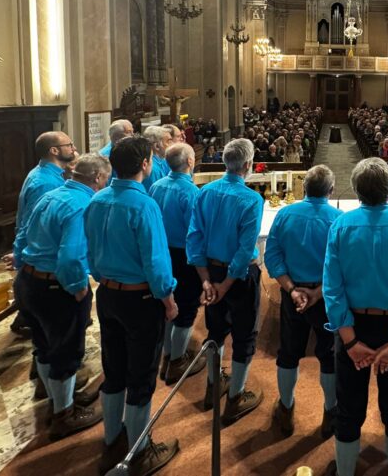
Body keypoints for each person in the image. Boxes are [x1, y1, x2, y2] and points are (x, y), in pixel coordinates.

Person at [323, 157, 388, 476]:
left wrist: (349, 341)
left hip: (352, 325)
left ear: (356, 190)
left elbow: (332, 289)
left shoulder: (341, 226)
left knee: (348, 406)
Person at [85, 136, 180, 475]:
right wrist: (168, 299)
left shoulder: (97, 200)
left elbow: (90, 250)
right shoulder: (144, 205)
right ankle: (138, 450)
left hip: (108, 294)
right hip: (140, 298)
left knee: (113, 370)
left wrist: (103, 277)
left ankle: (112, 439)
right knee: (141, 375)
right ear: (145, 164)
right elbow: (156, 262)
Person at [15, 152, 110, 439]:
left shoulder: (51, 196)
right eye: (106, 179)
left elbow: (23, 233)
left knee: (43, 346)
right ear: (97, 178)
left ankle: (56, 401)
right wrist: (78, 286)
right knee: (66, 352)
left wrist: (19, 261)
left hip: (28, 281)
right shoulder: (82, 205)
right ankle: (64, 415)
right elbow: (70, 257)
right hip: (56, 287)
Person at [187, 138, 265, 424]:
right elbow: (244, 250)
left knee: (215, 330)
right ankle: (235, 397)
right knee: (244, 335)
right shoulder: (251, 199)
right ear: (248, 165)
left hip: (211, 271)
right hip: (239, 278)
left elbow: (194, 237)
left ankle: (213, 385)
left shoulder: (205, 192)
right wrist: (225, 285)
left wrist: (207, 281)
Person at [264, 165, 343, 438]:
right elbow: (342, 265)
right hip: (325, 297)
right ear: (331, 190)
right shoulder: (338, 219)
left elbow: (272, 256)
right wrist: (317, 293)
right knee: (329, 355)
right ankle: (330, 411)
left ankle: (286, 408)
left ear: (304, 188)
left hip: (293, 295)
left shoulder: (285, 214)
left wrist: (291, 290)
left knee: (288, 352)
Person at [9, 131, 77, 349]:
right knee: (54, 337)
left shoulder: (48, 175)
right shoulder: (45, 183)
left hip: (42, 261)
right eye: (69, 145)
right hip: (46, 264)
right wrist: (20, 253)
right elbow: (36, 224)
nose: (73, 148)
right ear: (54, 151)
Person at [149, 143, 205, 385]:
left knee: (169, 304)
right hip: (184, 255)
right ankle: (177, 361)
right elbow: (195, 231)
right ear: (190, 162)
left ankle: (168, 355)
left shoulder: (156, 185)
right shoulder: (190, 192)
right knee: (186, 308)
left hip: (162, 252)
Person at [142, 126, 173, 192]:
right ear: (157, 146)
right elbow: (154, 195)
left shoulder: (162, 161)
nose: (172, 145)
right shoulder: (152, 169)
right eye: (169, 141)